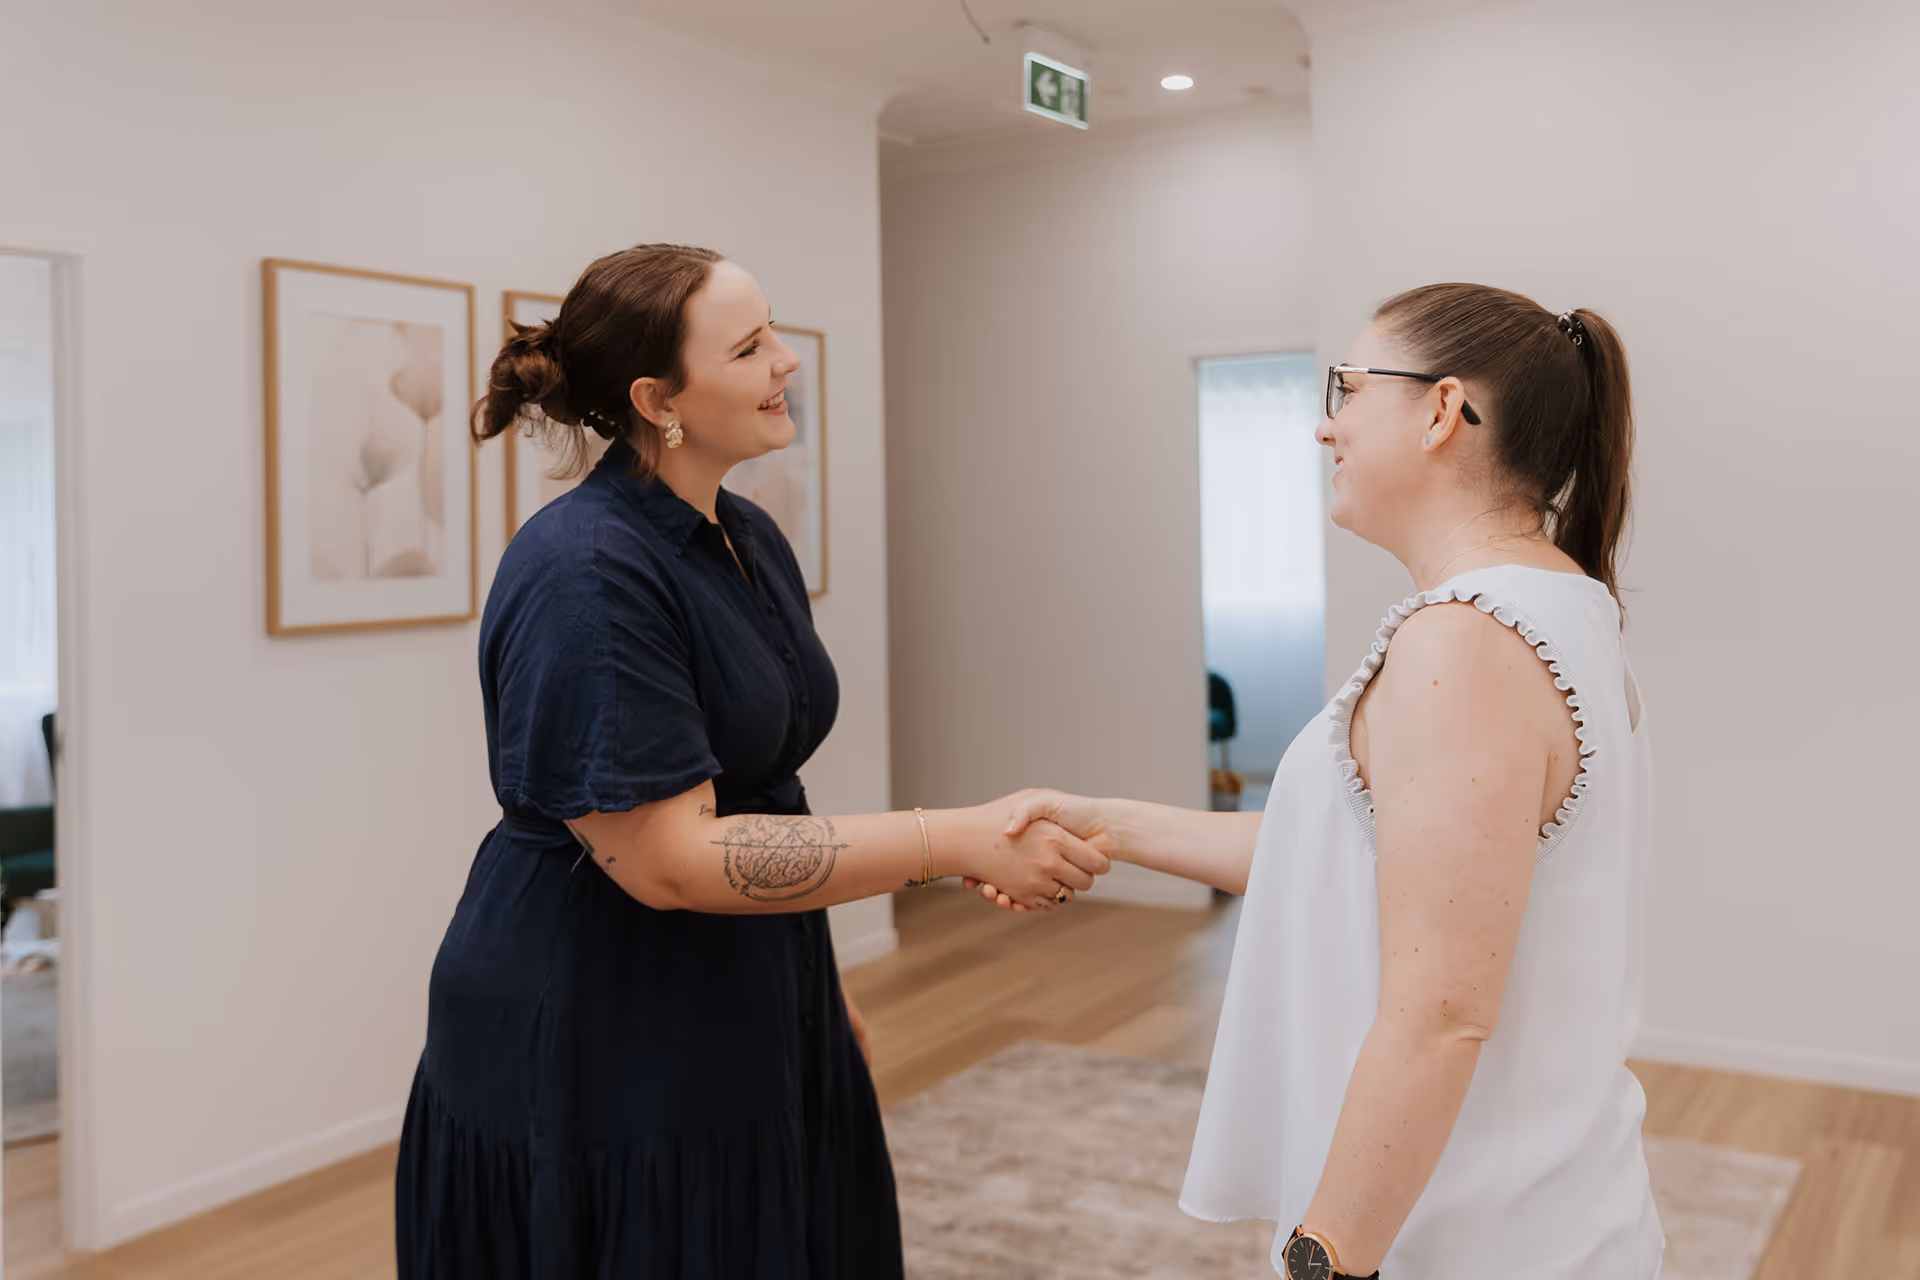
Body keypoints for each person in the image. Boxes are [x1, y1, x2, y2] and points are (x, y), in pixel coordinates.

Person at [395, 243, 1110, 1279]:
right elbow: (666, 858)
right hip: (606, 1009)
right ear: (658, 397)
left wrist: (811, 978)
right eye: (751, 345)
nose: (789, 362)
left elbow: (750, 790)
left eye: (774, 330)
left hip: (748, 972)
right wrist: (948, 839)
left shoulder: (745, 533)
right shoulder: (585, 569)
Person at [987, 284, 1659, 1277]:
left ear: (1441, 409)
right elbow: (1364, 859)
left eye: (1345, 386)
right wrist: (1103, 823)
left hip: (1467, 1234)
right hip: (1537, 1211)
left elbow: (1441, 1014)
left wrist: (1326, 1256)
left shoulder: (1464, 643)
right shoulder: (1558, 602)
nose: (1323, 423)